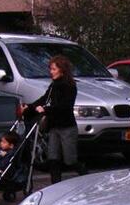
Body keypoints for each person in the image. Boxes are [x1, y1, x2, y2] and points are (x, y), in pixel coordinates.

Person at [23, 55, 86, 184]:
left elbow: (65, 106)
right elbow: (44, 99)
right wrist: (29, 107)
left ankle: (86, 177)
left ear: (62, 69)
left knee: (70, 160)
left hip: (67, 127)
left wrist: (46, 110)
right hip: (54, 126)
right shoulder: (54, 85)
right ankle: (55, 185)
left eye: (53, 69)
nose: (51, 72)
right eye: (50, 69)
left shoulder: (69, 86)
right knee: (53, 158)